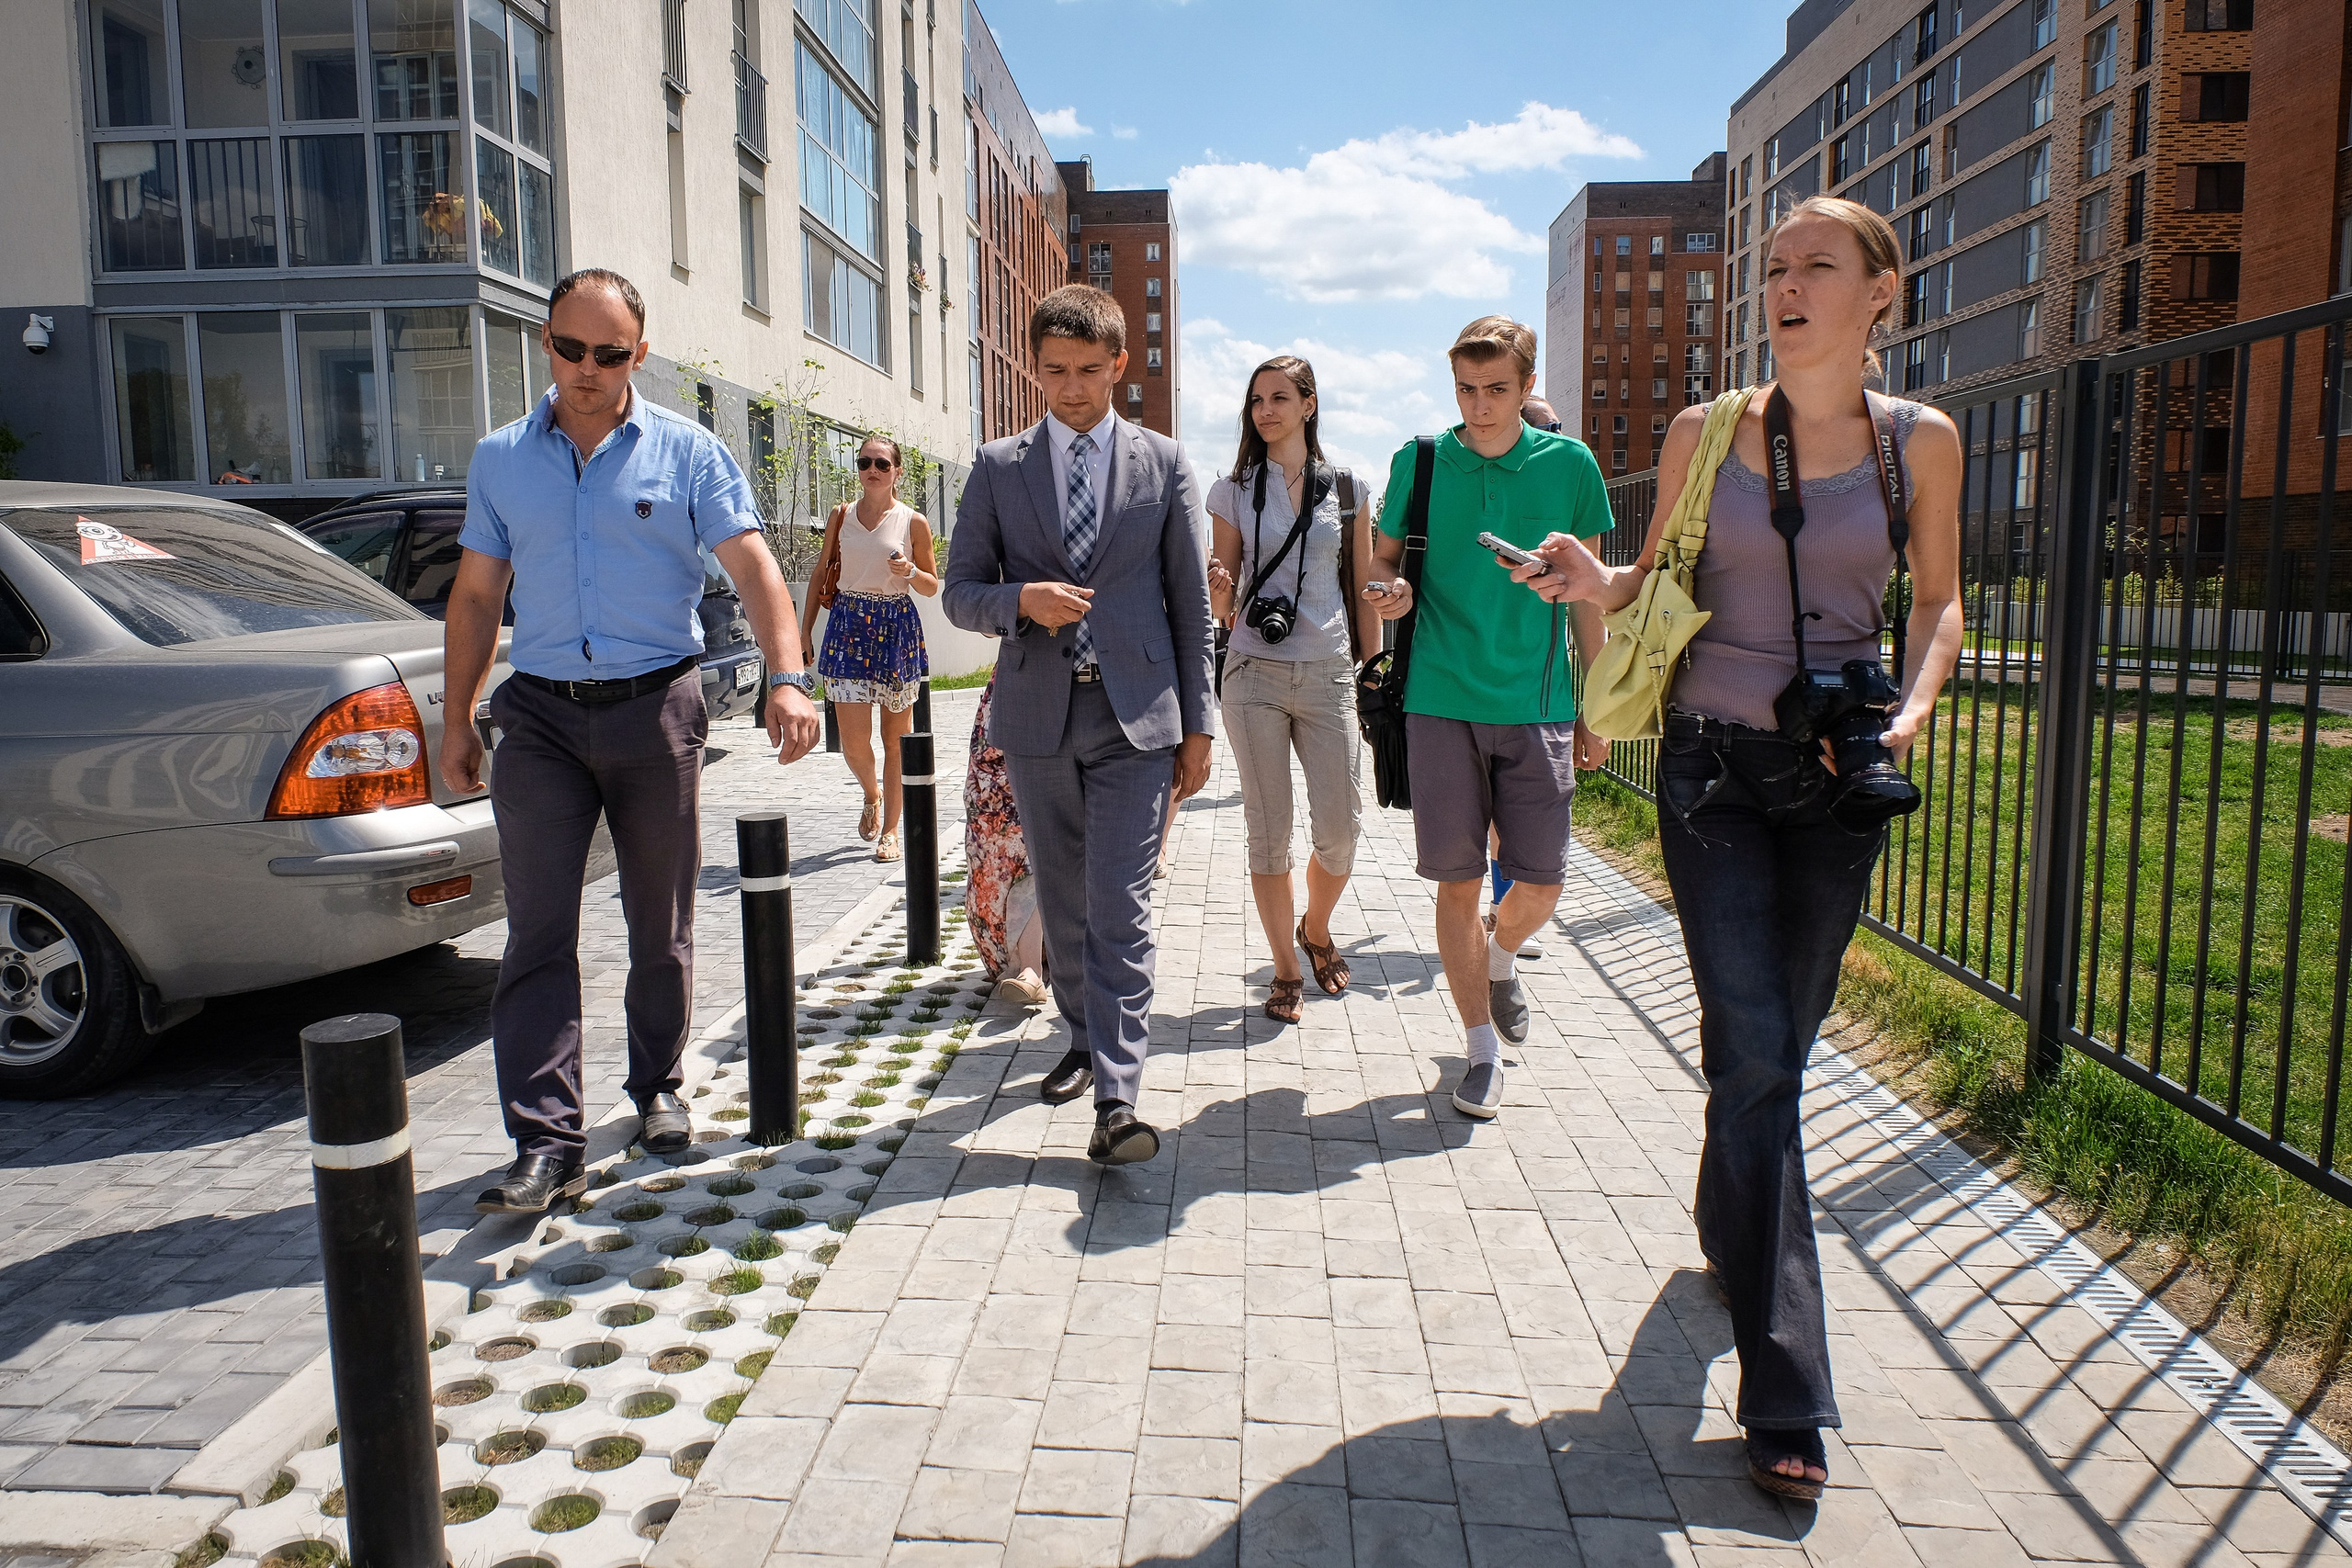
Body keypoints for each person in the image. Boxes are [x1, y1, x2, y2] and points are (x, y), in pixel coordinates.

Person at [1516, 196, 1963, 1499]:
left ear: (1880, 290)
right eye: (1774, 267)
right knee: (1760, 1051)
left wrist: (1910, 709)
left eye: (1817, 264)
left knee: (1769, 1053)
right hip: (1710, 768)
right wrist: (1587, 576)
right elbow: (1649, 580)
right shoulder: (1705, 431)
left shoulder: (1918, 443)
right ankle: (1787, 1390)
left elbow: (1939, 602)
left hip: (1837, 771)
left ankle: (1731, 1223)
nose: (1786, 285)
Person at [442, 267, 821, 1215]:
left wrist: (786, 676)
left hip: (655, 709)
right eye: (571, 348)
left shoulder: (688, 453)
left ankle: (657, 1084)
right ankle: (545, 1142)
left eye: (609, 354)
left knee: (660, 922)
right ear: (546, 343)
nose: (587, 368)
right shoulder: (500, 458)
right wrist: (456, 720)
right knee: (537, 930)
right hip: (538, 718)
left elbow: (755, 568)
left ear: (637, 356)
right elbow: (478, 595)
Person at [943, 284, 1216, 1167]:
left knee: (1121, 907)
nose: (1071, 387)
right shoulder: (999, 466)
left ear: (1119, 366)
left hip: (1138, 719)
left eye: (1089, 370)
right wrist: (1021, 599)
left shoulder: (1163, 463)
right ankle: (1081, 1035)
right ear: (1035, 367)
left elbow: (1189, 603)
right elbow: (960, 592)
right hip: (1038, 716)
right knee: (1064, 900)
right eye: (1055, 370)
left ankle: (1117, 1099)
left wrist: (1200, 726)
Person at [1362, 317, 1611, 1122]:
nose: (1479, 405)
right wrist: (1393, 591)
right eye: (1466, 390)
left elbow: (1590, 602)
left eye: (1496, 389)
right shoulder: (1421, 458)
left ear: (1528, 385)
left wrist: (1599, 705)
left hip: (1538, 704)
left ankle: (1501, 953)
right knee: (1457, 882)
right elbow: (1384, 558)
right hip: (1439, 699)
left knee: (1542, 881)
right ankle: (1480, 1051)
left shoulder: (1571, 466)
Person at [1204, 355, 1376, 1023]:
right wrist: (1219, 591)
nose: (1265, 410)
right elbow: (1225, 602)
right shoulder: (1232, 491)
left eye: (1279, 398)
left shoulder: (1350, 490)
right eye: (1256, 400)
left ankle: (1316, 926)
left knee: (1341, 827)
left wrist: (1373, 668)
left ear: (1309, 404)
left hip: (1329, 670)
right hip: (1253, 670)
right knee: (1267, 831)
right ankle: (1284, 968)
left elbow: (1362, 588)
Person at [809, 435, 940, 863]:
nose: (872, 470)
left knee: (894, 741)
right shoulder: (841, 515)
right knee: (852, 743)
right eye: (865, 462)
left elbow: (931, 586)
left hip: (894, 629)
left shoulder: (913, 521)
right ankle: (872, 794)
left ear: (897, 472)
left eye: (882, 464)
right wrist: (803, 632)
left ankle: (891, 831)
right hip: (848, 626)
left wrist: (911, 570)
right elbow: (820, 573)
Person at [1483, 391, 1569, 961]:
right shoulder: (1491, 491)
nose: (1552, 438)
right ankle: (1499, 912)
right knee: (1495, 819)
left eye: (1557, 429)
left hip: (1543, 688)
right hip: (1489, 682)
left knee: (1521, 824)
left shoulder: (1564, 492)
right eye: (1545, 429)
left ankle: (1504, 918)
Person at [964, 671, 1048, 1005]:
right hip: (1012, 695)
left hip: (1077, 700)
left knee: (1039, 840)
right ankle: (1030, 960)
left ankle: (1031, 969)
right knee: (996, 844)